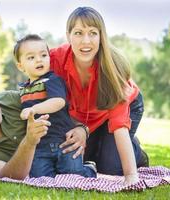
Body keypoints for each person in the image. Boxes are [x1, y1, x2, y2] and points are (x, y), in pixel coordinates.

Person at [49, 7, 149, 185]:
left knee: (110, 168)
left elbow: (119, 124)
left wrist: (132, 177)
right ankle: (104, 145)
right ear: (68, 35)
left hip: (125, 107)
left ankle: (136, 152)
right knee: (69, 155)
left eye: (93, 33)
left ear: (101, 36)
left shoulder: (113, 70)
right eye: (78, 33)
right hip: (87, 117)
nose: (85, 41)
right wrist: (81, 128)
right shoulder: (55, 60)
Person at [13, 34, 96, 178]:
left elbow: (58, 101)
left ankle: (89, 168)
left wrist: (33, 110)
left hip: (64, 141)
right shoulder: (23, 89)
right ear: (20, 66)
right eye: (31, 57)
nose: (39, 59)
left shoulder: (52, 80)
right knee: (40, 177)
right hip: (39, 146)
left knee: (73, 174)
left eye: (43, 55)